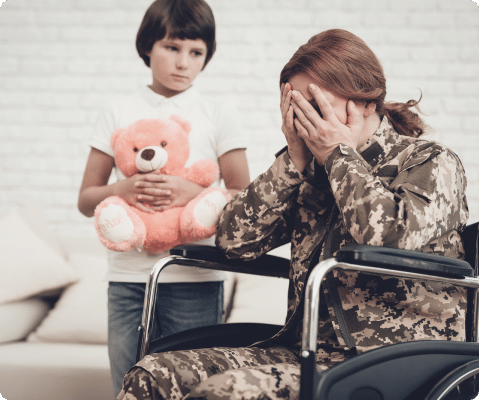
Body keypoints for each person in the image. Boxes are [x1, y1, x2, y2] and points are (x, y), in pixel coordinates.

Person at [116, 28, 468, 400]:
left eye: (316, 105)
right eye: (295, 107)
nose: (305, 119)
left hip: (394, 358)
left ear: (366, 101)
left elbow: (388, 236)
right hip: (303, 350)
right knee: (152, 374)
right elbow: (234, 242)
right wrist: (293, 162)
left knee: (228, 392)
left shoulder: (430, 161)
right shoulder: (306, 170)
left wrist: (338, 155)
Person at [77, 0, 250, 396]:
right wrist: (121, 189)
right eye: (172, 48)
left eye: (196, 53)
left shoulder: (217, 112)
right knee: (128, 383)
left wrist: (195, 192)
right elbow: (87, 199)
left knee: (193, 385)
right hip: (127, 279)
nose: (183, 63)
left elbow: (244, 197)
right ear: (147, 46)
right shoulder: (117, 109)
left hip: (195, 276)